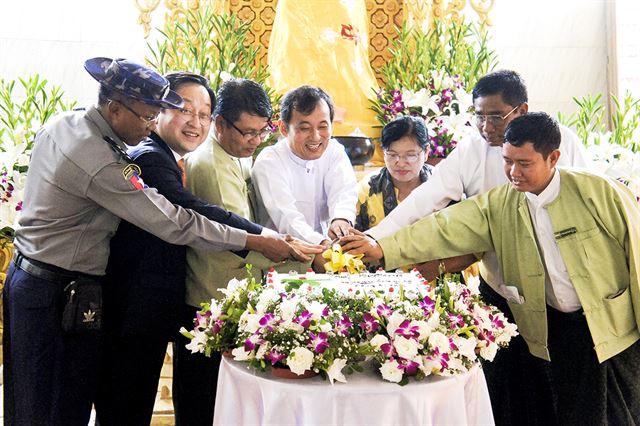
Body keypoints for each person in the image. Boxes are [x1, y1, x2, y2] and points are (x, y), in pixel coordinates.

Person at [1, 57, 316, 426]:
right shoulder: (103, 159)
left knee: (35, 403)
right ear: (114, 107)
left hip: (39, 282)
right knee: (54, 407)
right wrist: (255, 240)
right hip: (57, 292)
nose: (150, 125)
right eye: (148, 116)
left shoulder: (67, 122)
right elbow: (175, 222)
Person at [343, 112, 640, 425]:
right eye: (507, 161)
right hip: (557, 330)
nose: (513, 172)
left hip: (611, 329)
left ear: (553, 158)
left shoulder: (600, 193)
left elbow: (636, 255)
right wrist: (382, 247)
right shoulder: (500, 204)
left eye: (524, 163)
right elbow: (443, 227)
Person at [362, 70, 588, 424]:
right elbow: (428, 200)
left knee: (555, 389)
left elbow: (581, 210)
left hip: (556, 293)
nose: (485, 126)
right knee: (500, 383)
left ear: (522, 109)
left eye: (495, 116)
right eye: (478, 115)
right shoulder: (471, 149)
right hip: (500, 287)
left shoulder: (560, 141)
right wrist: (378, 237)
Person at [95, 73, 319, 425]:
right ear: (159, 110)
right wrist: (288, 251)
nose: (255, 141)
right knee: (150, 407)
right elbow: (205, 218)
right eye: (186, 110)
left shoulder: (205, 157)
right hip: (156, 307)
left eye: (262, 133)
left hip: (159, 308)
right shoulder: (163, 159)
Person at [173, 78, 316, 425]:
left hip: (233, 295)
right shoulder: (212, 166)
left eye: (261, 133)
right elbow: (242, 242)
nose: (254, 141)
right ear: (219, 124)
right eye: (247, 133)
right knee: (205, 407)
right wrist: (309, 260)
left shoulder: (234, 152)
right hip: (210, 302)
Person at [354, 116, 476, 279]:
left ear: (426, 153)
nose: (400, 163)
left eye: (410, 155)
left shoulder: (445, 186)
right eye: (392, 154)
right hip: (379, 288)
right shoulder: (367, 189)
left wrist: (441, 266)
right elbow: (355, 245)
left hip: (437, 284)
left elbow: (469, 245)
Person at [252, 85, 358, 246]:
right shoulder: (269, 162)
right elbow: (287, 218)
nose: (315, 137)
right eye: (305, 128)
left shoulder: (334, 151)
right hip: (282, 257)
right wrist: (322, 244)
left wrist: (341, 219)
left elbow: (344, 192)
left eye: (323, 126)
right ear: (283, 128)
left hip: (326, 250)